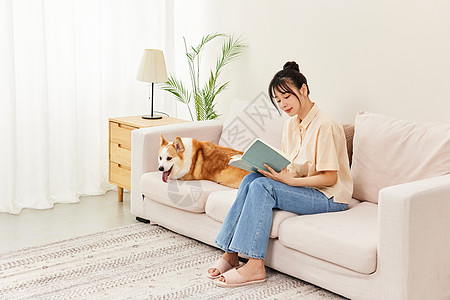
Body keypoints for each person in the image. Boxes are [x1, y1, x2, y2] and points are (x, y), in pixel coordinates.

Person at [207, 61, 353, 287]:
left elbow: (330, 178)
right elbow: (291, 166)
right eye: (278, 100)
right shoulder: (291, 125)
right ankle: (231, 253)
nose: (283, 104)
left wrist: (290, 181)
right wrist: (271, 170)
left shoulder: (325, 125)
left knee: (262, 187)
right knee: (251, 179)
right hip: (304, 187)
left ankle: (255, 265)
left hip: (330, 196)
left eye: (287, 97)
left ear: (303, 90)